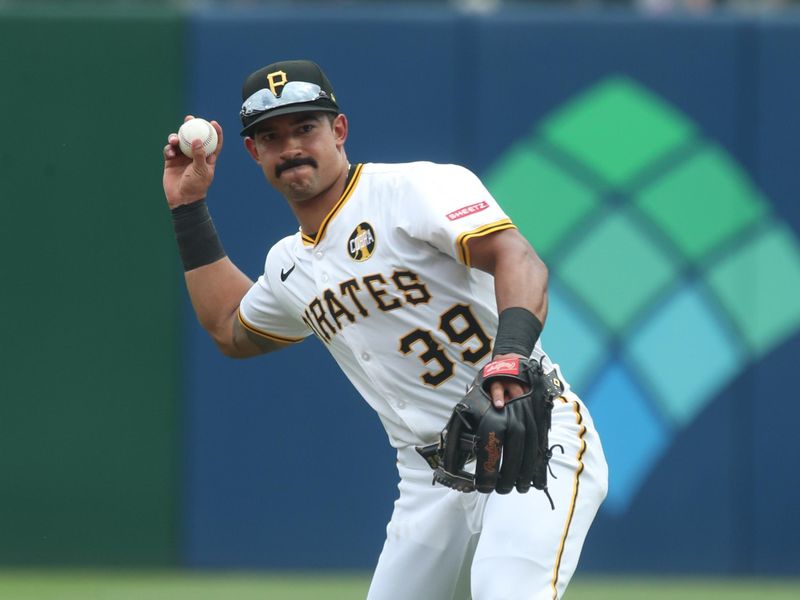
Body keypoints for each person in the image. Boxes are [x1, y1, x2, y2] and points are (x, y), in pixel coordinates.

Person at [162, 59, 608, 600]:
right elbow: (229, 329)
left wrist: (509, 358)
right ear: (254, 153)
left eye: (306, 127)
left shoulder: (413, 188)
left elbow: (518, 258)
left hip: (525, 431)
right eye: (271, 137)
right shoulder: (287, 266)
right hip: (428, 477)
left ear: (339, 130)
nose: (291, 147)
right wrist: (188, 207)